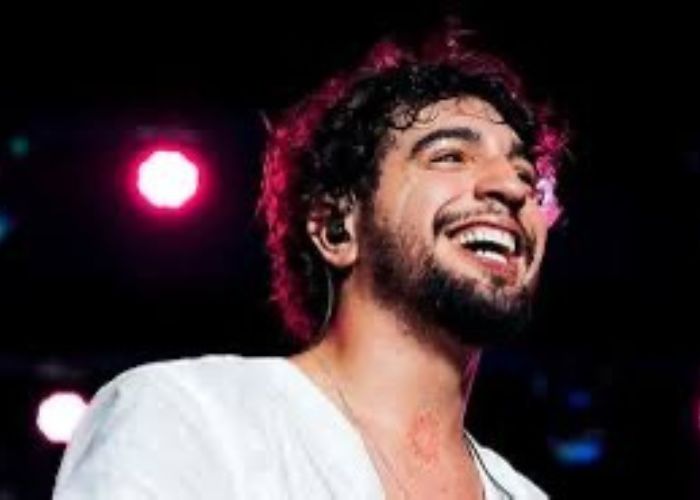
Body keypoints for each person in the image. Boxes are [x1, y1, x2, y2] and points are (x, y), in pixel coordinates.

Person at [53, 24, 567, 500]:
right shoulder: (189, 417)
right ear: (336, 229)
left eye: (526, 175)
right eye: (449, 156)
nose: (511, 187)